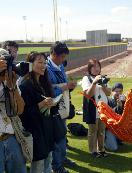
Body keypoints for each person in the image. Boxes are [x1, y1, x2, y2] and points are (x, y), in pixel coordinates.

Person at [19, 52, 64, 173]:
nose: (43, 65)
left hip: (47, 129)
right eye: (39, 62)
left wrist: (54, 103)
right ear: (30, 64)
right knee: (38, 165)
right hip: (36, 132)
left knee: (48, 161)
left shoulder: (44, 82)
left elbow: (51, 106)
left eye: (44, 62)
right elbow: (23, 114)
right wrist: (42, 104)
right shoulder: (25, 85)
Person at [46, 41, 77, 173]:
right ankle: (57, 167)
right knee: (57, 139)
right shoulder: (46, 68)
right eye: (62, 57)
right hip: (52, 109)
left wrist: (69, 87)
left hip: (62, 106)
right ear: (53, 54)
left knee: (62, 136)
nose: (63, 60)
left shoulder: (59, 66)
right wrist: (65, 87)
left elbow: (61, 84)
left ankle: (62, 159)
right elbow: (48, 91)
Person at [81, 59, 111, 158]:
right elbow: (88, 94)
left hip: (103, 109)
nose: (96, 68)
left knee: (102, 131)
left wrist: (102, 83)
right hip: (92, 109)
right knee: (93, 131)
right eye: (93, 66)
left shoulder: (103, 78)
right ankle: (93, 151)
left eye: (98, 66)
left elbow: (108, 93)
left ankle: (101, 149)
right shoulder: (86, 78)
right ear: (89, 69)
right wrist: (94, 83)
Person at [104, 83, 125, 151]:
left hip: (118, 126)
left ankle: (118, 138)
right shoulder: (108, 100)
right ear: (112, 91)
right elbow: (109, 114)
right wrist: (118, 106)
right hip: (109, 127)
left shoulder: (123, 100)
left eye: (120, 91)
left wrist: (126, 103)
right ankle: (102, 141)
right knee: (113, 148)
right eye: (116, 91)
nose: (118, 93)